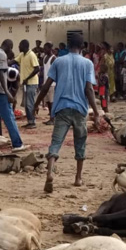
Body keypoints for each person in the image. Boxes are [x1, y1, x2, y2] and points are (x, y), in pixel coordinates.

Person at [35, 33, 100, 192]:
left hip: (61, 107)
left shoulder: (58, 61)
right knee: (80, 143)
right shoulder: (87, 63)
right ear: (82, 47)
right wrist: (97, 112)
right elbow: (89, 89)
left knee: (56, 142)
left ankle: (50, 172)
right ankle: (78, 178)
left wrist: (36, 104)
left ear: (68, 45)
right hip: (79, 109)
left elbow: (46, 85)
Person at [15, 39, 40, 129]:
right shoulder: (22, 55)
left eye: (20, 46)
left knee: (30, 103)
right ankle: (29, 121)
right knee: (26, 104)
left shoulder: (31, 55)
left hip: (32, 83)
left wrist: (27, 78)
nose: (18, 47)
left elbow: (37, 69)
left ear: (24, 46)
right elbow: (14, 61)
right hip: (25, 83)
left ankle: (32, 122)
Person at [41, 42, 56, 125]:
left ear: (50, 49)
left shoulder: (53, 58)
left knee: (52, 101)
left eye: (45, 48)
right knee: (48, 102)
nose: (44, 50)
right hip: (46, 82)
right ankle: (51, 117)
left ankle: (53, 118)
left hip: (52, 83)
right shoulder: (45, 57)